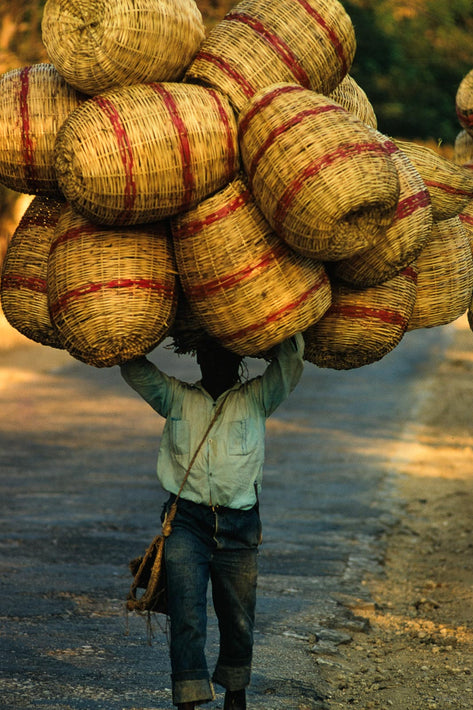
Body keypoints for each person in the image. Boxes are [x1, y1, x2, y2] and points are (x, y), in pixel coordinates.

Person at [120, 332, 304, 709]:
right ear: (198, 360)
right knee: (187, 617)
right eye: (208, 355)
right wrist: (131, 335)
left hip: (240, 525)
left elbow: (290, 363)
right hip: (186, 522)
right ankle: (187, 699)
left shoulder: (257, 397)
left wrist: (289, 323)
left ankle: (235, 692)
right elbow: (134, 369)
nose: (214, 363)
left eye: (224, 356)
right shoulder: (176, 397)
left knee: (239, 619)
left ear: (238, 361)